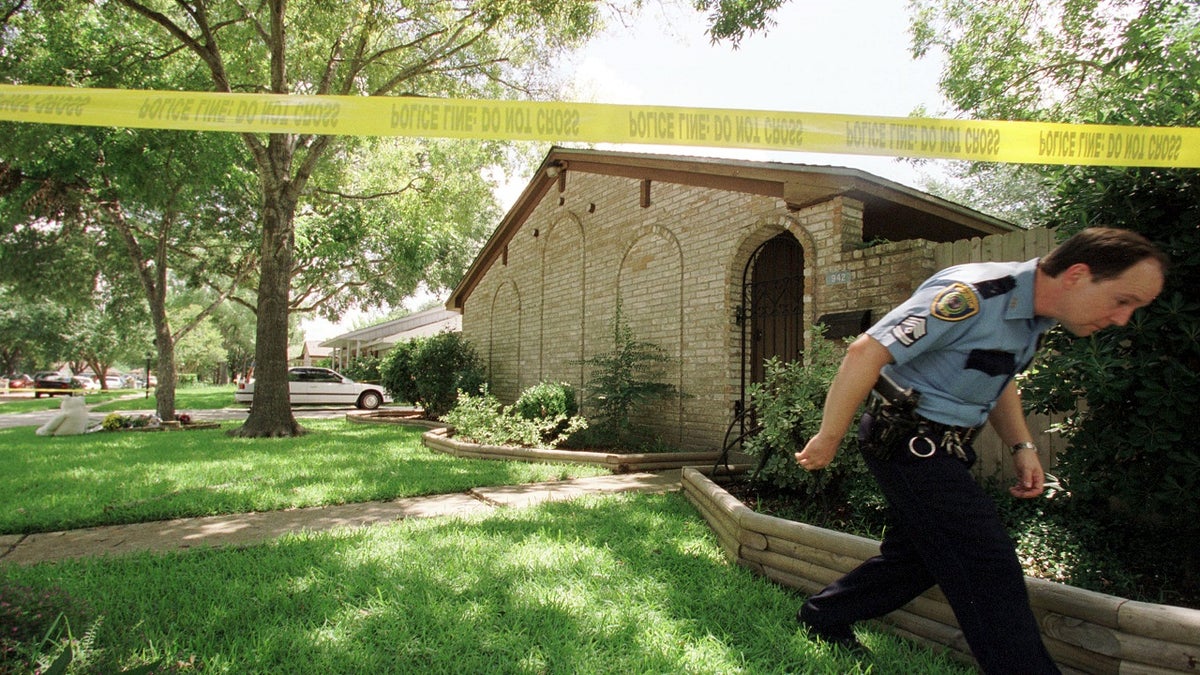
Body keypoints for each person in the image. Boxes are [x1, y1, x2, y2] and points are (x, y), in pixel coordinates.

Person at [793, 227, 1168, 674]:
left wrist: (1022, 446)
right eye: (1122, 300)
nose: (1123, 319)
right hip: (906, 440)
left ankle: (823, 616)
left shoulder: (1035, 317)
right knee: (986, 564)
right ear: (1077, 274)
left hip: (944, 446)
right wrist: (828, 438)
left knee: (916, 559)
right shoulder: (971, 294)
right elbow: (865, 352)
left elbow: (998, 376)